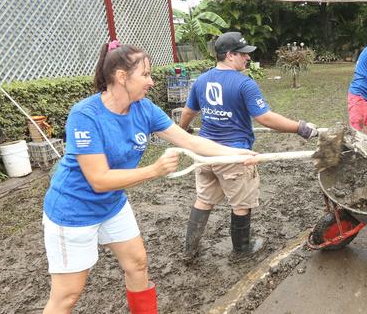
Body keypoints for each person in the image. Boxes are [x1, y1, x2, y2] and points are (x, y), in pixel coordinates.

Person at [42, 41, 256, 314]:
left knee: (138, 265)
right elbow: (99, 179)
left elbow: (191, 142)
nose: (151, 82)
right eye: (145, 75)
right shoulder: (85, 115)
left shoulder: (144, 109)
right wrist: (154, 171)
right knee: (68, 295)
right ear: (121, 77)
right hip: (73, 211)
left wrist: (236, 154)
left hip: (112, 205)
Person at [178, 32, 318, 260]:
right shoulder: (244, 84)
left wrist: (184, 129)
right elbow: (265, 118)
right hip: (234, 155)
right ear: (230, 55)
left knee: (203, 199)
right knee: (241, 203)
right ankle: (242, 250)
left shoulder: (201, 80)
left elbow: (188, 112)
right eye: (244, 54)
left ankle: (189, 251)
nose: (248, 59)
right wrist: (300, 127)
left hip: (204, 152)